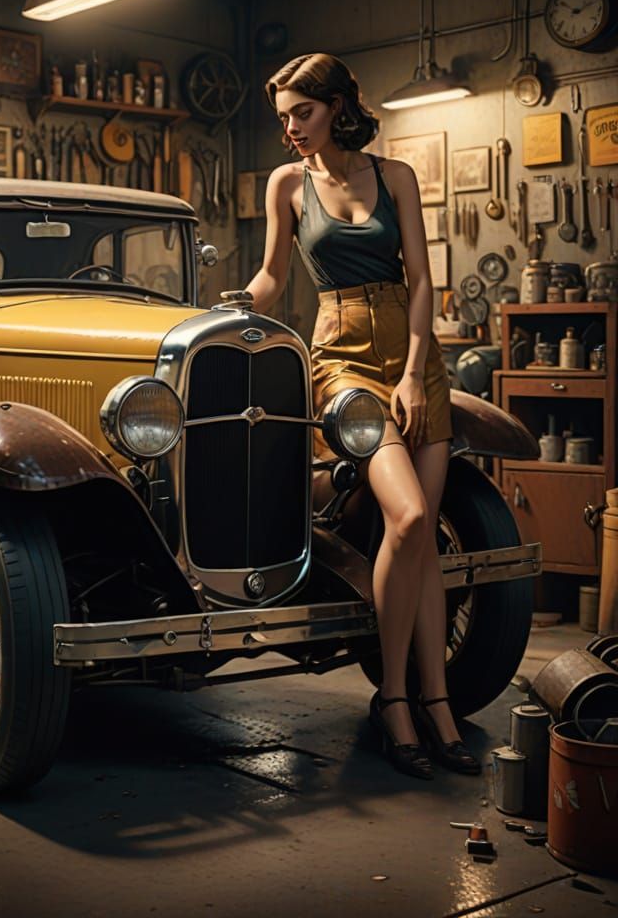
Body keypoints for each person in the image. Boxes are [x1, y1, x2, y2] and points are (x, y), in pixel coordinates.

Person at [245, 52, 479, 780]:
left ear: (341, 105)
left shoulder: (398, 176)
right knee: (407, 518)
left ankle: (437, 702)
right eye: (283, 117)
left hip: (415, 361)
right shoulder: (287, 184)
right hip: (340, 355)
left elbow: (422, 281)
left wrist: (414, 373)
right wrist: (233, 307)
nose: (291, 129)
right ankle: (396, 697)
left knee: (424, 543)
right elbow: (275, 276)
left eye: (303, 113)